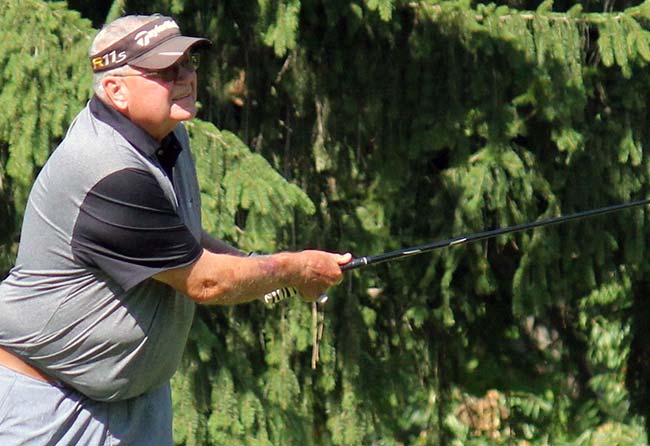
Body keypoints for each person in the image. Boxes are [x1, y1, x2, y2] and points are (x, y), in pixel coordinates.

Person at [0, 14, 351, 445]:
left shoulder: (168, 138)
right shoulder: (107, 170)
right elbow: (205, 282)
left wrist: (256, 268)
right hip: (46, 404)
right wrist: (294, 269)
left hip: (135, 405)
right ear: (115, 89)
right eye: (166, 70)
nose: (186, 78)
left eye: (188, 64)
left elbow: (177, 242)